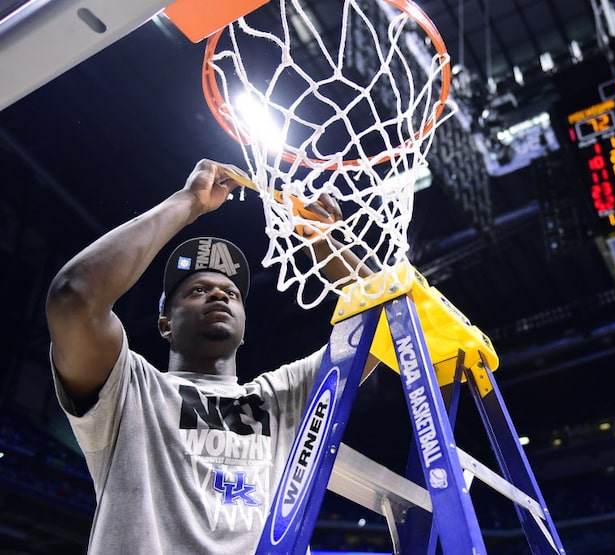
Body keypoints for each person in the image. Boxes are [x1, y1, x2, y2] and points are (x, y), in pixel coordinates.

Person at [45, 159, 374, 554]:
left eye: (231, 294)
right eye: (197, 290)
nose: (219, 294)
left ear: (244, 326)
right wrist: (188, 202)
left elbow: (390, 330)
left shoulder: (282, 396)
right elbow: (73, 297)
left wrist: (324, 245)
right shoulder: (130, 389)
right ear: (165, 324)